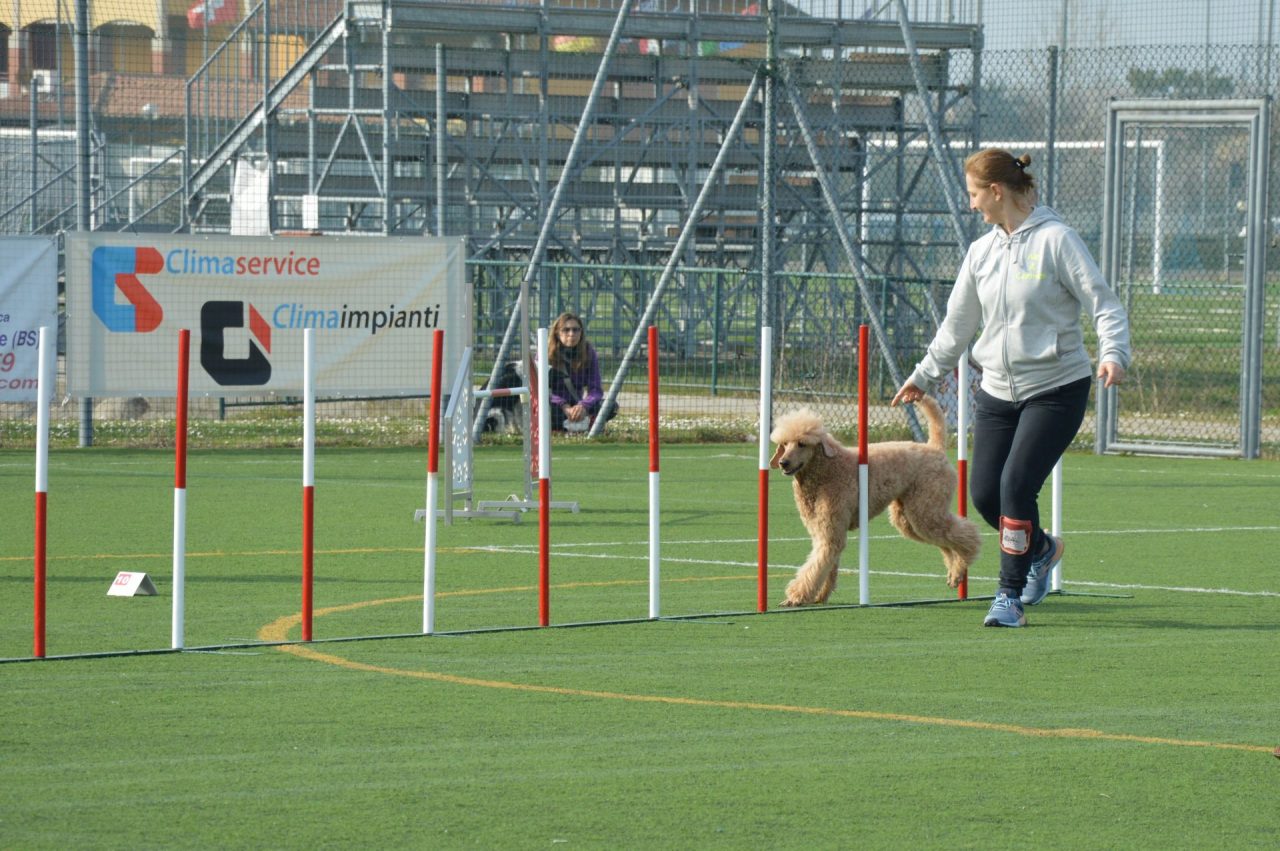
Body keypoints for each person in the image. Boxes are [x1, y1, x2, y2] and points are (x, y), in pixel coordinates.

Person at [891, 149, 1131, 628]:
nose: (972, 204)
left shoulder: (1058, 241)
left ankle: (1009, 595)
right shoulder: (981, 252)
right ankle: (1041, 549)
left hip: (1056, 388)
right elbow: (956, 327)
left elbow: (1103, 303)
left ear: (997, 192)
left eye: (975, 194)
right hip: (996, 392)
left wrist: (1113, 353)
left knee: (1016, 485)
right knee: (985, 496)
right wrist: (923, 375)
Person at [546, 311, 608, 432]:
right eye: (566, 330)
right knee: (545, 408)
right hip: (554, 406)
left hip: (579, 405)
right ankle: (568, 426)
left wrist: (584, 405)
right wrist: (563, 405)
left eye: (576, 330)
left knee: (610, 406)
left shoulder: (589, 352)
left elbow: (595, 389)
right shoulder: (545, 353)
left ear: (581, 332)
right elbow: (539, 389)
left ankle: (583, 423)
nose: (571, 334)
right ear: (557, 333)